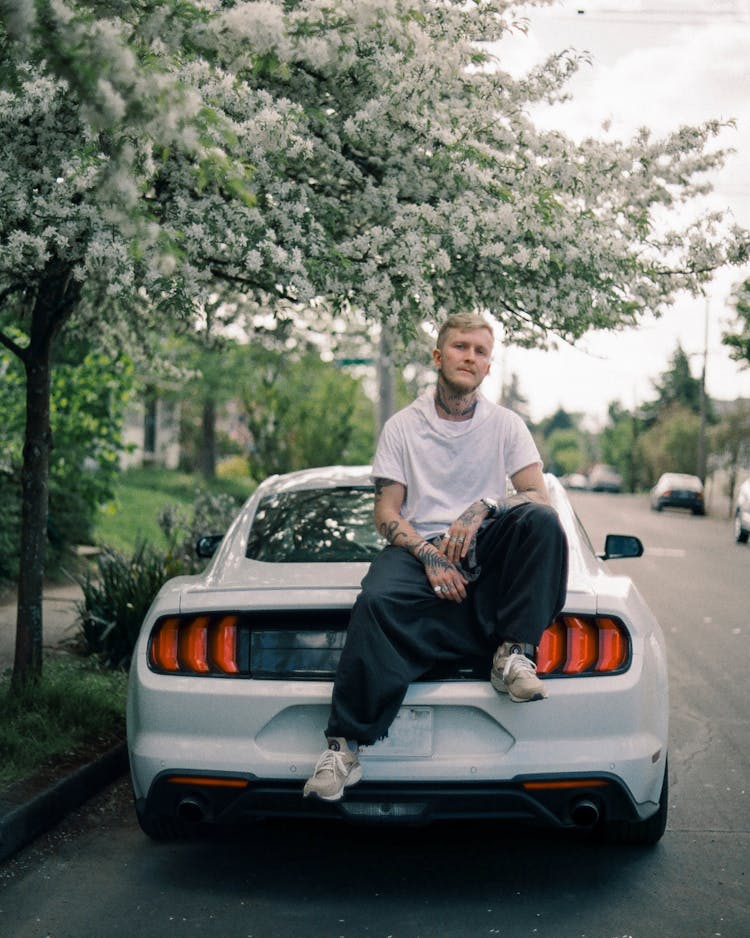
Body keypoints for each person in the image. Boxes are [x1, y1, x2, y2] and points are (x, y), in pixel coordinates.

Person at [303, 312, 569, 802]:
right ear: (438, 356)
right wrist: (430, 555)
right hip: (420, 547)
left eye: (481, 351)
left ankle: (513, 654)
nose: (470, 357)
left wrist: (486, 506)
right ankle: (343, 748)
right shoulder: (403, 426)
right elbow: (386, 510)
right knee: (377, 598)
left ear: (489, 366)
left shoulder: (507, 426)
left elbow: (537, 496)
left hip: (487, 548)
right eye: (461, 347)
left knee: (542, 523)